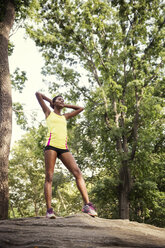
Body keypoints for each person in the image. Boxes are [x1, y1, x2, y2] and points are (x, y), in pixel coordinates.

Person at [35, 92, 97, 218]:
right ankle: (49, 210)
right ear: (53, 103)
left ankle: (87, 205)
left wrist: (64, 104)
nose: (62, 101)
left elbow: (81, 108)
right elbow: (38, 94)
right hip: (51, 146)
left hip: (64, 148)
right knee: (49, 177)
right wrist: (51, 102)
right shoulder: (48, 112)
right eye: (59, 99)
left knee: (78, 173)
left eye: (63, 100)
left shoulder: (65, 116)